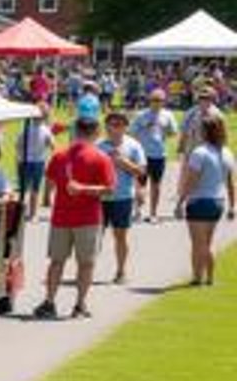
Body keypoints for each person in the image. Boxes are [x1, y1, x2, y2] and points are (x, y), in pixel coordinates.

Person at [35, 108, 115, 319]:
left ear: (76, 131)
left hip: (62, 217)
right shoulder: (101, 158)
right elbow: (109, 190)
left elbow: (49, 185)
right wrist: (85, 189)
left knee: (56, 261)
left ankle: (49, 302)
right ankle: (79, 305)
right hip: (87, 219)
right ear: (96, 132)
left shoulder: (60, 156)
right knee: (85, 263)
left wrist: (76, 189)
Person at [176, 112, 235, 287]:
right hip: (218, 202)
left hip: (199, 201)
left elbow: (192, 180)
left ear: (204, 131)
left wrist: (180, 202)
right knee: (207, 244)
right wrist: (232, 206)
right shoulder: (227, 153)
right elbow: (231, 183)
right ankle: (209, 278)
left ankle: (197, 278)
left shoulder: (199, 152)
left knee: (198, 245)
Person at [98, 109, 147, 285]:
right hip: (99, 198)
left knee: (120, 237)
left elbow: (141, 171)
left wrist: (122, 162)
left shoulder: (133, 145)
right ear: (106, 126)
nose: (115, 128)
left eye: (119, 125)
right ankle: (87, 269)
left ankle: (121, 271)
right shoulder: (98, 146)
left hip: (123, 197)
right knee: (95, 237)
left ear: (126, 127)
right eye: (111, 124)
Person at [130, 90, 176, 224]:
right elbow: (131, 131)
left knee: (156, 185)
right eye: (154, 100)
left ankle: (153, 213)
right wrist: (144, 126)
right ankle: (137, 211)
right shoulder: (141, 115)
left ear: (164, 101)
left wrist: (165, 129)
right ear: (149, 100)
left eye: (160, 100)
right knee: (140, 184)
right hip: (142, 155)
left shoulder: (167, 115)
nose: (157, 103)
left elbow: (173, 132)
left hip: (159, 154)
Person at [18, 106, 54, 221]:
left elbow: (52, 145)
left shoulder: (45, 129)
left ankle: (33, 214)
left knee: (35, 189)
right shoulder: (26, 128)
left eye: (42, 116)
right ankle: (22, 213)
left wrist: (49, 143)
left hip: (38, 161)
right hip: (26, 161)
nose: (40, 118)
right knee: (25, 189)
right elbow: (18, 144)